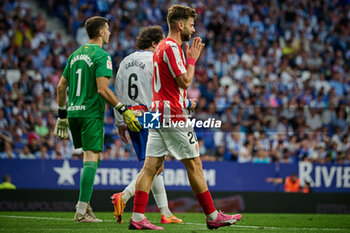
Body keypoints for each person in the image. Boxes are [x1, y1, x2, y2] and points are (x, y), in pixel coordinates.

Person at [128, 5, 241, 230]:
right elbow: (185, 82)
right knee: (195, 165)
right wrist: (192, 59)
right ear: (180, 25)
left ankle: (138, 217)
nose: (193, 28)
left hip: (157, 114)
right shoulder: (171, 47)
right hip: (173, 115)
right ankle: (212, 216)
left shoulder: (160, 47)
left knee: (150, 167)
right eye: (191, 24)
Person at [54, 16, 141, 223]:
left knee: (93, 158)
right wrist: (122, 108)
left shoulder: (74, 55)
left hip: (73, 113)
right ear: (101, 32)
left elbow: (60, 87)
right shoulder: (102, 56)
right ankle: (81, 211)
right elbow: (103, 90)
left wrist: (62, 116)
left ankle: (86, 206)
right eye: (108, 30)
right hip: (91, 113)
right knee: (91, 159)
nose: (110, 33)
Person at [111, 26, 182, 224]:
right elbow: (162, 91)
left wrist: (120, 121)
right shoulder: (155, 60)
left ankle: (166, 213)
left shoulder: (125, 62)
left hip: (130, 116)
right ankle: (123, 197)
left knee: (152, 165)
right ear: (154, 43)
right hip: (150, 115)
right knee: (154, 166)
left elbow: (118, 91)